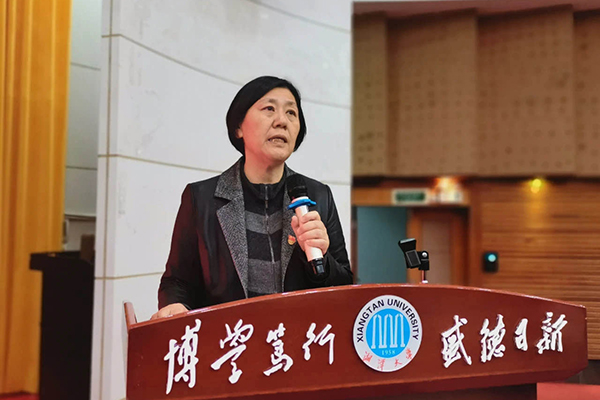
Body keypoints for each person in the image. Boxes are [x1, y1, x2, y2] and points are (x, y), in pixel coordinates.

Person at [151, 76, 352, 320]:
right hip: (229, 339)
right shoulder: (201, 199)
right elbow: (177, 281)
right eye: (269, 109)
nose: (282, 121)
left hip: (299, 339)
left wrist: (323, 262)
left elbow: (345, 287)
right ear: (239, 127)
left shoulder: (317, 196)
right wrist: (175, 306)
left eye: (291, 113)